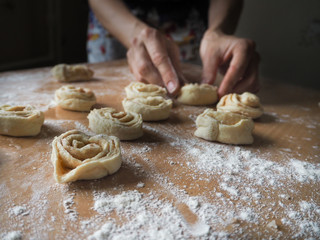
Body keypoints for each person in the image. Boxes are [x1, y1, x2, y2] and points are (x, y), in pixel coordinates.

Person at [87, 0, 260, 97]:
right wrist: (132, 31)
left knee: (191, 85)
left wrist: (218, 30)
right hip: (116, 18)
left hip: (190, 22)